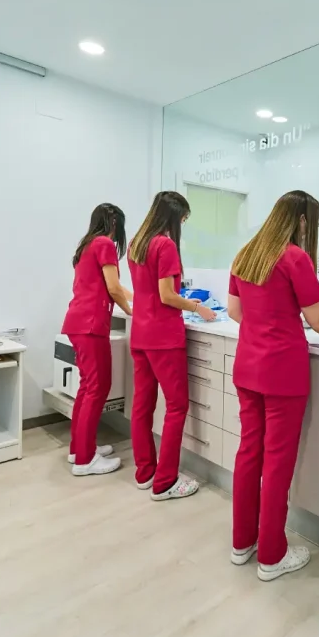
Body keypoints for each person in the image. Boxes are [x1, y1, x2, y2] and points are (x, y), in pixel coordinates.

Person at [227, 190, 319, 581]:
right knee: (277, 462)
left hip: (248, 367)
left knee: (249, 453)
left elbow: (236, 311)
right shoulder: (293, 257)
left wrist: (263, 327)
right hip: (282, 371)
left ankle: (243, 544)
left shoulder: (246, 254)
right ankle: (272, 555)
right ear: (303, 221)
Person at [128, 191, 216, 501]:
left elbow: (149, 291)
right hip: (163, 337)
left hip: (139, 334)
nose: (183, 225)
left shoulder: (137, 244)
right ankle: (165, 482)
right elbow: (166, 295)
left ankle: (145, 472)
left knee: (142, 406)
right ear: (174, 217)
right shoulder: (164, 245)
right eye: (183, 219)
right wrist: (197, 308)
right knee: (177, 407)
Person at [61, 203, 132, 476]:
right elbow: (114, 288)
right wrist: (129, 310)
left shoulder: (87, 245)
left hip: (78, 322)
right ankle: (85, 460)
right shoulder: (104, 244)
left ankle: (79, 448)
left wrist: (140, 299)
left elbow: (114, 285)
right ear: (114, 223)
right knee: (97, 388)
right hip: (91, 325)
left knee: (87, 387)